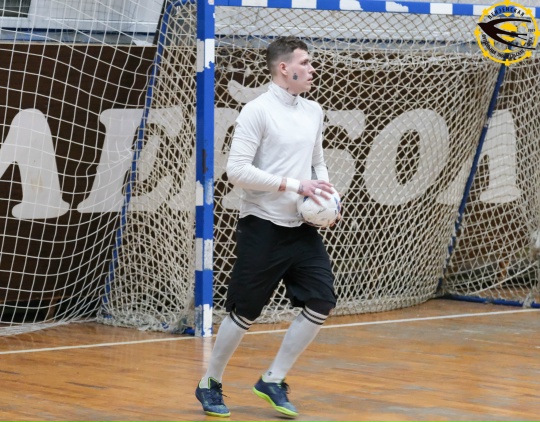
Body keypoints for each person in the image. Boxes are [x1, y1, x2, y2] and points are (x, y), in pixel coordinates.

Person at [195, 36, 339, 418]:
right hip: (262, 225)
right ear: (284, 68)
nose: (312, 69)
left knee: (322, 300)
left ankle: (273, 379)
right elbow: (236, 171)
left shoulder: (313, 110)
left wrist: (326, 198)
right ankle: (210, 382)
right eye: (305, 63)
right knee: (245, 311)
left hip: (301, 227)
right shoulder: (256, 111)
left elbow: (317, 162)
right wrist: (295, 185)